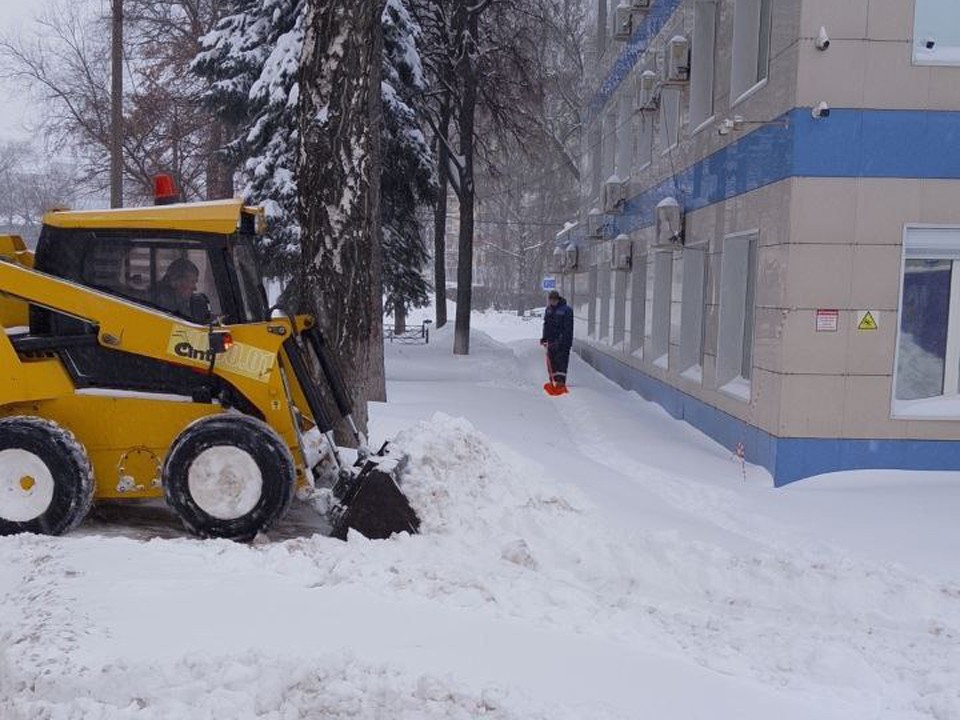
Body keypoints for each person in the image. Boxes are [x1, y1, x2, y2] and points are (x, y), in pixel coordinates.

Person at [152, 257, 210, 322]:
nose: (195, 288)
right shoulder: (163, 306)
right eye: (192, 282)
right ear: (177, 282)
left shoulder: (177, 301)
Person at [540, 289, 573, 388]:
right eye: (550, 300)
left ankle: (561, 382)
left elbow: (568, 328)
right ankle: (553, 381)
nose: (552, 302)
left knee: (561, 361)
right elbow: (546, 325)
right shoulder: (548, 310)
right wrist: (545, 337)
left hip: (563, 341)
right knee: (551, 361)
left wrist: (564, 341)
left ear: (558, 299)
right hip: (551, 341)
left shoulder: (566, 310)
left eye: (554, 300)